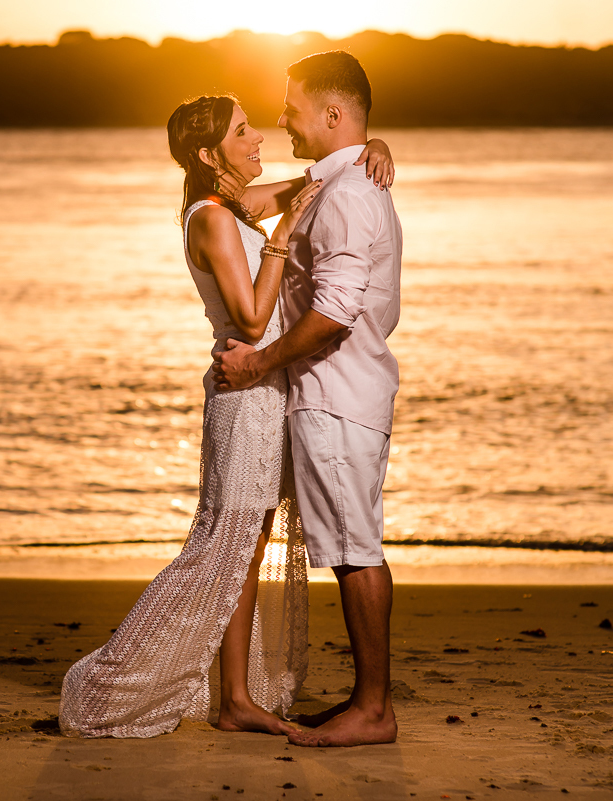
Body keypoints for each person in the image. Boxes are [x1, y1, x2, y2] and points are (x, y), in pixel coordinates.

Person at [58, 93, 394, 739]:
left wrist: (366, 153)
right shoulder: (211, 217)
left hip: (265, 391)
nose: (259, 137)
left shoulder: (232, 203)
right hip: (244, 395)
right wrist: (283, 240)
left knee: (246, 544)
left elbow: (303, 182)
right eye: (244, 132)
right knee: (223, 543)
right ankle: (125, 680)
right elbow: (249, 317)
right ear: (212, 154)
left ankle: (236, 697)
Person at [213, 51, 403, 748]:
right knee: (353, 545)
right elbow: (297, 191)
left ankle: (375, 710)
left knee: (356, 550)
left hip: (336, 394)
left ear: (331, 114)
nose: (282, 118)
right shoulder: (343, 180)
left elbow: (336, 312)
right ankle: (365, 700)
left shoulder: (351, 192)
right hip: (337, 394)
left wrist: (260, 359)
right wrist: (341, 160)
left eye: (293, 107)